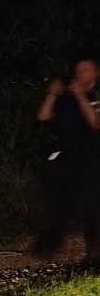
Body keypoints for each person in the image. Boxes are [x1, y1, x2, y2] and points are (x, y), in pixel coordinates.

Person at [34, 55, 100, 260]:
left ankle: (94, 253)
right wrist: (52, 94)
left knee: (93, 206)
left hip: (93, 158)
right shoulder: (68, 97)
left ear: (96, 73)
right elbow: (43, 117)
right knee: (58, 202)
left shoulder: (95, 95)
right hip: (66, 157)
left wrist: (81, 96)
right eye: (78, 70)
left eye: (85, 70)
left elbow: (95, 123)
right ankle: (49, 245)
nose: (80, 75)